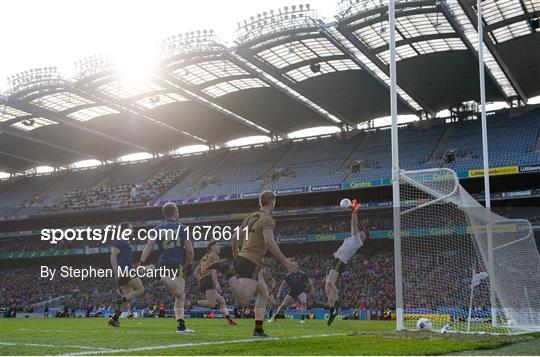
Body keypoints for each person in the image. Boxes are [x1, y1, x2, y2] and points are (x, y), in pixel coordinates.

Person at [210, 190, 298, 337]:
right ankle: (227, 271)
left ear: (260, 202)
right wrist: (284, 261)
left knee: (264, 292)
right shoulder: (267, 219)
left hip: (243, 257)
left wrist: (235, 253)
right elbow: (269, 241)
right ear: (273, 202)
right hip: (251, 261)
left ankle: (258, 329)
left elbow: (234, 238)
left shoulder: (250, 217)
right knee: (244, 300)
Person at [139, 202, 194, 333]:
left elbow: (149, 246)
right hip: (178, 263)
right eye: (178, 211)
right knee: (180, 293)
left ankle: (181, 325)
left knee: (180, 295)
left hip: (163, 261)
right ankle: (157, 273)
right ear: (175, 212)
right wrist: (190, 264)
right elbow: (190, 250)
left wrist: (141, 262)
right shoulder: (182, 228)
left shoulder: (156, 229)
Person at [325, 199, 368, 326]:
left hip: (340, 261)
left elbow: (354, 224)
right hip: (335, 259)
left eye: (363, 234)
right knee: (327, 289)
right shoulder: (352, 238)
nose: (361, 233)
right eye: (362, 232)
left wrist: (353, 211)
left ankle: (337, 306)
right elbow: (353, 226)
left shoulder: (357, 241)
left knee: (330, 283)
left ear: (363, 239)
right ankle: (332, 310)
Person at [108, 222, 145, 328]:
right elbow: (113, 256)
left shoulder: (126, 241)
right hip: (125, 271)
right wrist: (116, 271)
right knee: (141, 289)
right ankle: (120, 299)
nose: (132, 230)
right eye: (130, 228)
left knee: (127, 299)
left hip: (125, 271)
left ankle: (114, 319)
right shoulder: (120, 240)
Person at [193, 240, 236, 325]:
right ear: (212, 247)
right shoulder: (215, 256)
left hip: (203, 280)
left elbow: (196, 272)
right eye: (217, 245)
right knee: (212, 303)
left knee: (221, 301)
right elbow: (213, 270)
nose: (219, 247)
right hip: (209, 279)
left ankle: (229, 320)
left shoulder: (205, 257)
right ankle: (193, 302)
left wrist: (201, 281)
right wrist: (216, 284)